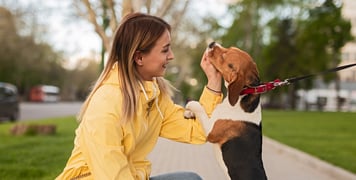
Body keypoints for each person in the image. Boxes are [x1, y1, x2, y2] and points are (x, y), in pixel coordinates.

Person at [56, 12, 222, 180]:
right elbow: (112, 175)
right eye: (165, 50)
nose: (171, 56)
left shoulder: (153, 96)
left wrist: (214, 81)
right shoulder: (106, 103)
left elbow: (199, 131)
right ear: (139, 57)